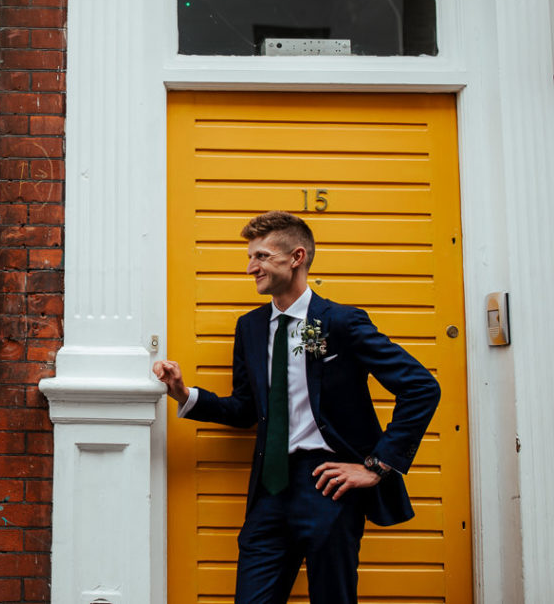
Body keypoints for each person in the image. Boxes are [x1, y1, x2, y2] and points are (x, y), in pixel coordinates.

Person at [154, 211, 440, 604]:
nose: (251, 267)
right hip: (269, 491)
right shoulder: (250, 327)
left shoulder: (339, 322)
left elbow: (421, 388)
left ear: (297, 257)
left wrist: (376, 466)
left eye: (262, 256)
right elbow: (245, 410)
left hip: (327, 485)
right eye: (250, 257)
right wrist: (185, 395)